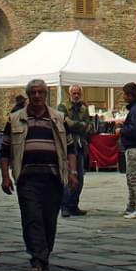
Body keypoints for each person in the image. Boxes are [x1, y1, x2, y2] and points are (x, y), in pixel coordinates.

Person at [1, 79, 76, 271]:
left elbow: (70, 147)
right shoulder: (15, 119)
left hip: (53, 177)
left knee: (49, 219)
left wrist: (72, 172)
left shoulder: (58, 118)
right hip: (27, 178)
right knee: (32, 218)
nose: (36, 96)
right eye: (33, 93)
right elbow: (5, 150)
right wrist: (5, 177)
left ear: (45, 94)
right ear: (28, 95)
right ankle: (37, 258)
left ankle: (44, 254)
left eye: (40, 92)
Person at [115, 81, 136, 219]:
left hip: (135, 147)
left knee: (134, 178)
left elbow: (135, 130)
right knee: (131, 178)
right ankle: (132, 206)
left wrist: (121, 130)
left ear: (130, 95)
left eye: (124, 94)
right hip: (135, 146)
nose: (123, 97)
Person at [57, 84, 91, 217]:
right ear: (70, 94)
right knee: (68, 175)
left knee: (80, 177)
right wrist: (79, 125)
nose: (76, 96)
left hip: (81, 145)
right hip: (67, 145)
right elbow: (65, 123)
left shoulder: (84, 108)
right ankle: (64, 206)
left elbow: (88, 126)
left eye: (78, 93)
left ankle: (73, 204)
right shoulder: (63, 107)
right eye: (74, 93)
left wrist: (77, 125)